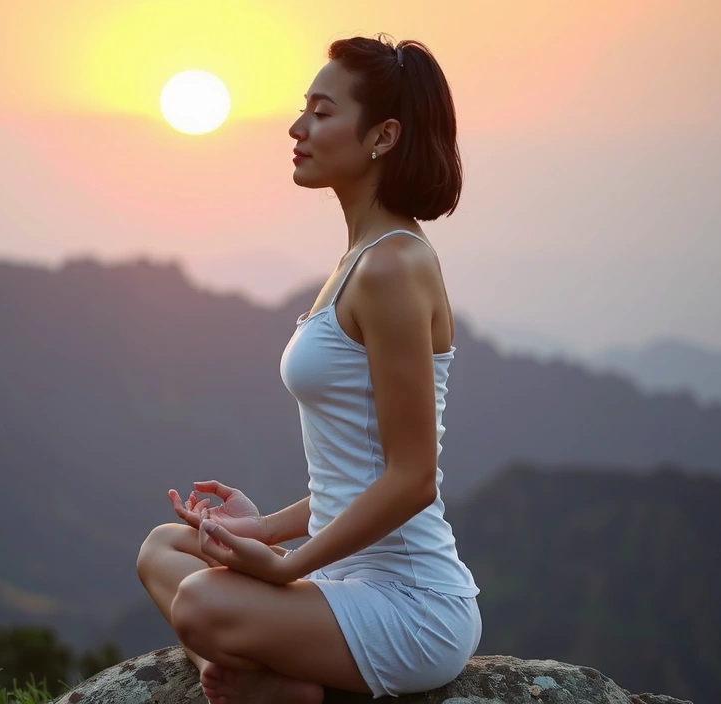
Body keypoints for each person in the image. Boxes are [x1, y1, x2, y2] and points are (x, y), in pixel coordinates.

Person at [137, 34, 481, 703]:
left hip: (409, 603)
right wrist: (261, 530)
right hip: (338, 580)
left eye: (322, 112)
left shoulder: (393, 266)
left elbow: (410, 479)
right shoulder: (358, 259)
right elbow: (357, 472)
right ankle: (274, 679)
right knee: (162, 549)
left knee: (202, 604)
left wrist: (286, 564)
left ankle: (291, 690)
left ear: (382, 136)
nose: (297, 128)